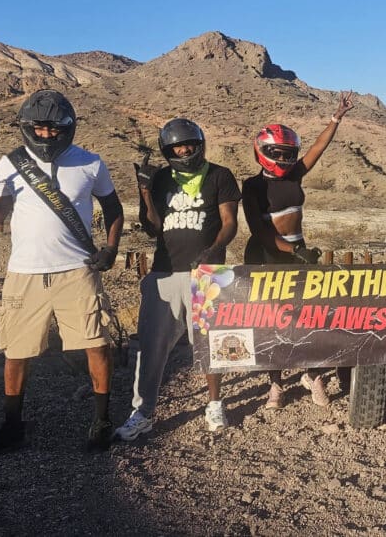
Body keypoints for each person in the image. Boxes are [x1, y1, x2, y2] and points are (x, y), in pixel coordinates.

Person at [0, 89, 123, 454]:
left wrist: (111, 249)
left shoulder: (90, 163)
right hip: (25, 271)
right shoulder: (9, 164)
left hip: (77, 270)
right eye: (38, 128)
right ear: (26, 127)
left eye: (53, 128)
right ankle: (12, 425)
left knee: (95, 344)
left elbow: (113, 209)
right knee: (17, 352)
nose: (46, 135)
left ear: (67, 127)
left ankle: (100, 421)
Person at [115, 119, 242, 439]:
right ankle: (142, 411)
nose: (184, 151)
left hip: (209, 272)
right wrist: (144, 190)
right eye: (177, 147)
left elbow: (229, 221)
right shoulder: (160, 179)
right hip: (165, 270)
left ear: (200, 145)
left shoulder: (220, 175)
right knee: (152, 345)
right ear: (167, 150)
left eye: (189, 145)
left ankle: (214, 403)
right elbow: (153, 227)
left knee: (211, 343)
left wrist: (216, 249)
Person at [242, 92, 354, 409]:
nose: (284, 159)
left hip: (297, 252)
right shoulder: (252, 187)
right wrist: (294, 252)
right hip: (267, 256)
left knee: (308, 317)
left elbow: (319, 147)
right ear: (263, 152)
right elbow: (261, 233)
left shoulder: (295, 174)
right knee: (270, 322)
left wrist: (336, 118)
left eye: (289, 153)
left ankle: (313, 375)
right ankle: (275, 385)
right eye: (277, 152)